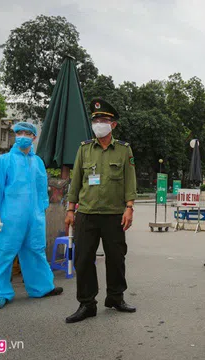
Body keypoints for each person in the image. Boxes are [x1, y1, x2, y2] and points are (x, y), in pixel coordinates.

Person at [65, 98, 137, 323]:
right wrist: (70, 209)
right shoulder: (84, 149)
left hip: (115, 214)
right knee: (83, 259)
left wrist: (129, 208)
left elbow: (130, 180)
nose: (98, 123)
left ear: (113, 125)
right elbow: (76, 179)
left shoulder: (124, 150)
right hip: (86, 213)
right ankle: (87, 303)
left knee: (116, 258)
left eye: (104, 120)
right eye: (96, 119)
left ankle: (115, 297)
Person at [0, 122, 63, 309]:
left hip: (34, 218)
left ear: (34, 137)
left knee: (35, 250)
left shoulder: (38, 163)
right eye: (19, 133)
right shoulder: (4, 161)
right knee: (3, 253)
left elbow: (42, 191)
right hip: (9, 218)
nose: (23, 136)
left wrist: (41, 212)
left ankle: (42, 287)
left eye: (27, 133)